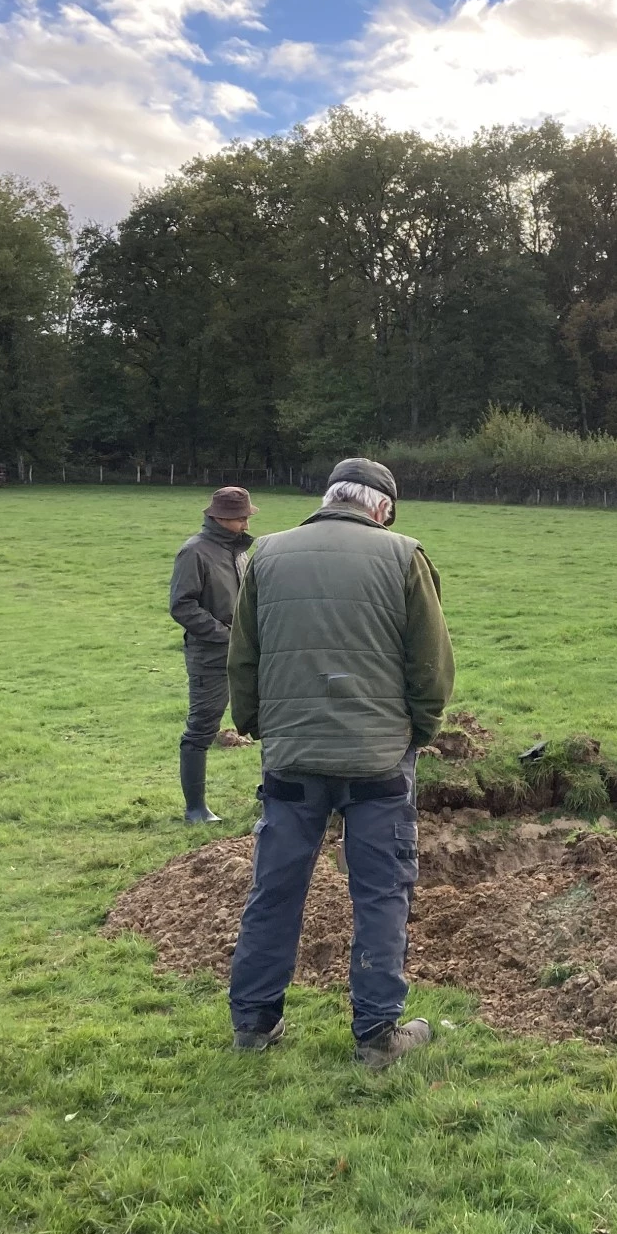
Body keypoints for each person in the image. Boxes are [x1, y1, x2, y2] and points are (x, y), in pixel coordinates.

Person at [225, 458, 455, 1069]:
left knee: (274, 889)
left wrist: (256, 725)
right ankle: (378, 1036)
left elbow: (243, 657)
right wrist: (419, 731)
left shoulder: (264, 554)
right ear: (382, 508)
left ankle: (253, 1023)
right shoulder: (405, 555)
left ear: (329, 498)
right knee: (380, 892)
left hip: (292, 756)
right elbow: (430, 664)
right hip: (379, 761)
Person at [169, 485, 256, 824]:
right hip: (209, 655)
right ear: (220, 517)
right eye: (240, 519)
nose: (246, 525)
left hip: (245, 653)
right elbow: (182, 605)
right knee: (202, 728)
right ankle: (195, 810)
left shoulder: (239, 552)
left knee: (264, 720)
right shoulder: (194, 552)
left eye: (247, 517)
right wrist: (225, 636)